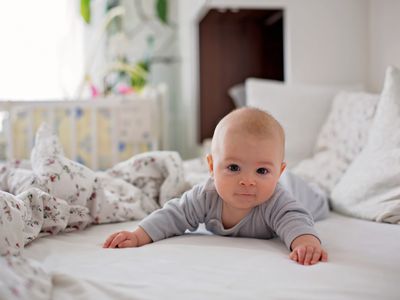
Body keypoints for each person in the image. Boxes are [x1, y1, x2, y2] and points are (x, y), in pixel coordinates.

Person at [103, 107, 329, 265]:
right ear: (211, 166)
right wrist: (138, 235)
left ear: (278, 172)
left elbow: (295, 219)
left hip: (300, 191)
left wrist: (306, 243)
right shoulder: (206, 195)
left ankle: (317, 187)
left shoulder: (276, 200)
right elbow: (174, 214)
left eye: (262, 171)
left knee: (318, 200)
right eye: (233, 168)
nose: (247, 181)